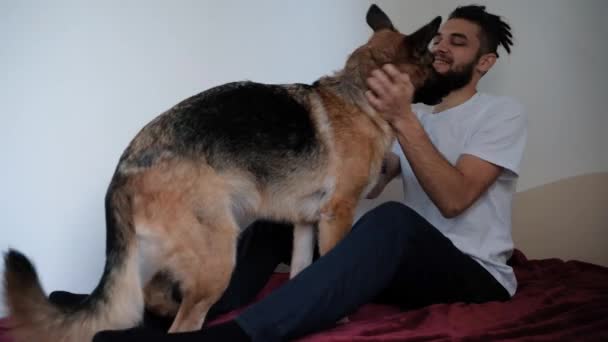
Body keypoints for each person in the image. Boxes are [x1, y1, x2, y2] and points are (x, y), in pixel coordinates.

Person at [51, 5, 526, 342]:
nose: (440, 49)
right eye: (439, 40)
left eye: (456, 43)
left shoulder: (501, 114)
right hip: (410, 269)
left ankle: (235, 336)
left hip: (473, 274)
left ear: (485, 63)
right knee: (282, 214)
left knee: (393, 224)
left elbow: (454, 197)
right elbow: (365, 184)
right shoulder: (420, 119)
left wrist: (398, 120)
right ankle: (176, 312)